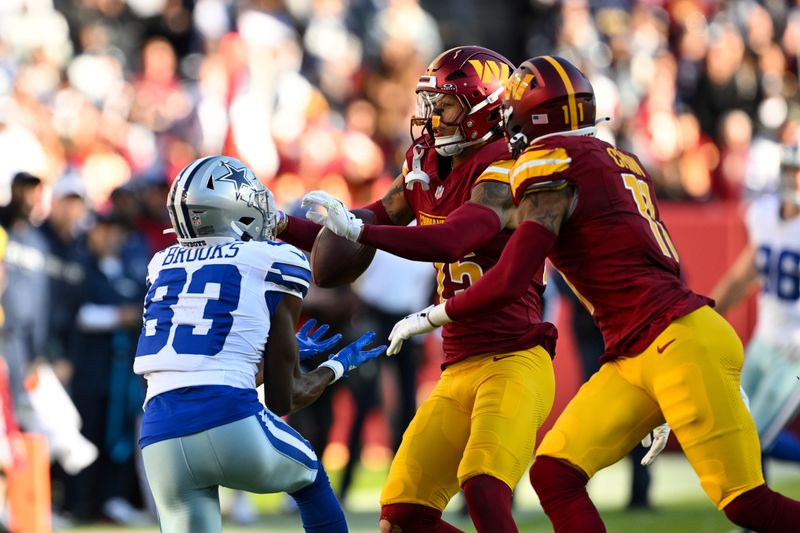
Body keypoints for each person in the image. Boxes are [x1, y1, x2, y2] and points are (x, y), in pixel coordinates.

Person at [388, 56, 800, 532]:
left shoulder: (550, 163)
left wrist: (432, 316)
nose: (507, 121)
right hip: (642, 349)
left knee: (747, 503)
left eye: (514, 110)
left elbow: (508, 278)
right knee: (553, 473)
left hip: (675, 344)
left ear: (532, 116)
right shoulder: (619, 160)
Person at [281, 46, 557, 533]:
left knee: (484, 492)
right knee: (402, 519)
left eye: (445, 105)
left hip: (515, 358)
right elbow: (349, 231)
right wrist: (276, 224)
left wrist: (358, 230)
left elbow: (452, 238)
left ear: (484, 109)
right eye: (430, 104)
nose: (432, 118)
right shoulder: (425, 163)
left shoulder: (505, 165)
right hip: (458, 364)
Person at [133, 155, 386, 533]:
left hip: (159, 432)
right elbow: (287, 398)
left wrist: (263, 352)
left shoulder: (162, 264)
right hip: (232, 423)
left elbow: (196, 374)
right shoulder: (274, 258)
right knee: (311, 477)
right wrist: (338, 366)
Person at [710, 138, 800, 464]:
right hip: (765, 340)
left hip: (795, 349)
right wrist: (705, 313)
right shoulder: (764, 215)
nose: (797, 178)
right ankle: (759, 510)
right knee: (737, 426)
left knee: (757, 435)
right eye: (793, 169)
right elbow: (742, 277)